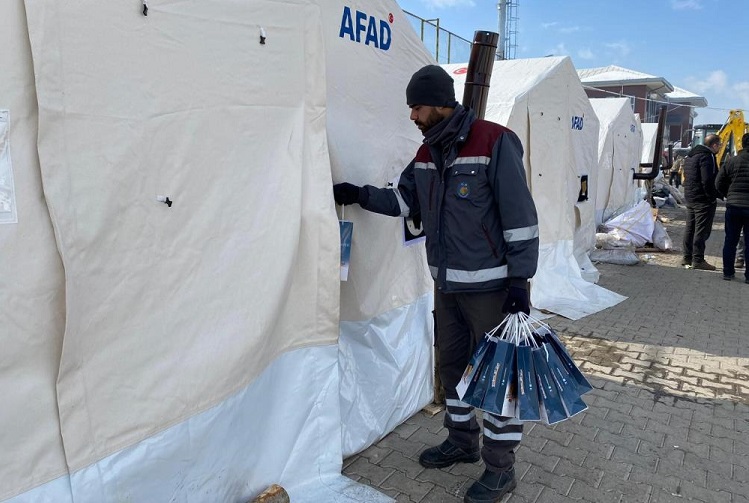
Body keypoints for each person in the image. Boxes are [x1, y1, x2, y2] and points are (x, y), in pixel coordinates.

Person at [333, 65, 539, 503]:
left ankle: (501, 470)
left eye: (417, 106)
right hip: (446, 287)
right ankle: (462, 441)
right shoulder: (427, 155)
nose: (412, 115)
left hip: (493, 291)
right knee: (453, 368)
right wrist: (360, 194)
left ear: (441, 102)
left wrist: (521, 279)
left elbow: (520, 218)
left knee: (498, 379)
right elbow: (405, 199)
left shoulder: (494, 141)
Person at [682, 133, 722, 270]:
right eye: (720, 145)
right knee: (701, 230)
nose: (720, 148)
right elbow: (707, 180)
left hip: (690, 196)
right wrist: (711, 197)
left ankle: (687, 257)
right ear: (714, 145)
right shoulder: (707, 156)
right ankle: (698, 259)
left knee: (690, 228)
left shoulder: (691, 155)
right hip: (702, 199)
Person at [715, 132, 749, 282]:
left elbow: (718, 182)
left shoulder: (731, 161)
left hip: (734, 206)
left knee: (730, 240)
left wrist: (727, 195)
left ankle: (728, 273)